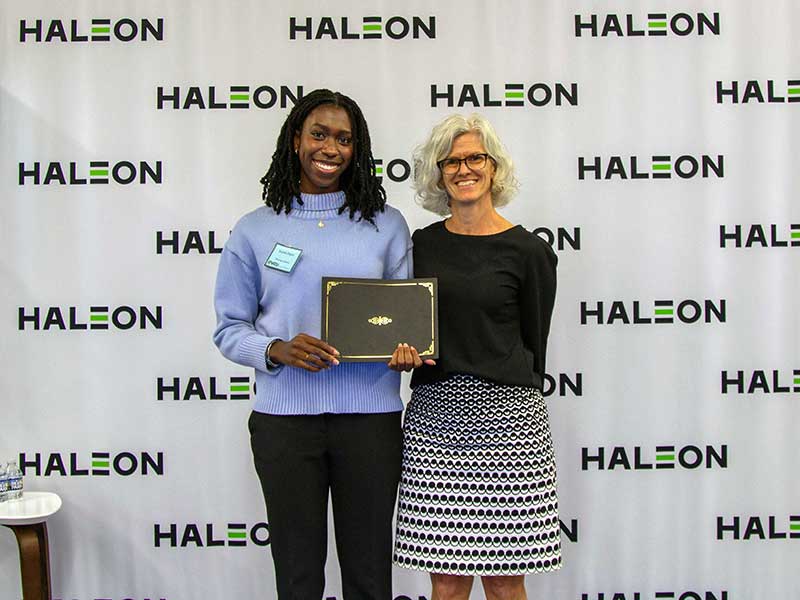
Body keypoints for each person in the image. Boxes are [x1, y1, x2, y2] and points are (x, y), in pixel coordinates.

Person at [213, 89, 412, 600]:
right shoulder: (255, 230)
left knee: (369, 574)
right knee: (298, 575)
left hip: (370, 423)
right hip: (285, 424)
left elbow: (405, 322)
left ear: (357, 148)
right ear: (295, 139)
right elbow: (229, 327)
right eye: (319, 134)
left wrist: (406, 348)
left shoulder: (386, 226)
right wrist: (275, 350)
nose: (331, 148)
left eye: (344, 139)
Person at [388, 114, 560, 600]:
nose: (464, 169)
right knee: (445, 583)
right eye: (452, 161)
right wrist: (401, 354)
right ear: (438, 174)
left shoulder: (529, 251)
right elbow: (406, 325)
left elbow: (534, 343)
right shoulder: (419, 244)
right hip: (435, 423)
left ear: (494, 167)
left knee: (506, 582)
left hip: (511, 426)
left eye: (475, 158)